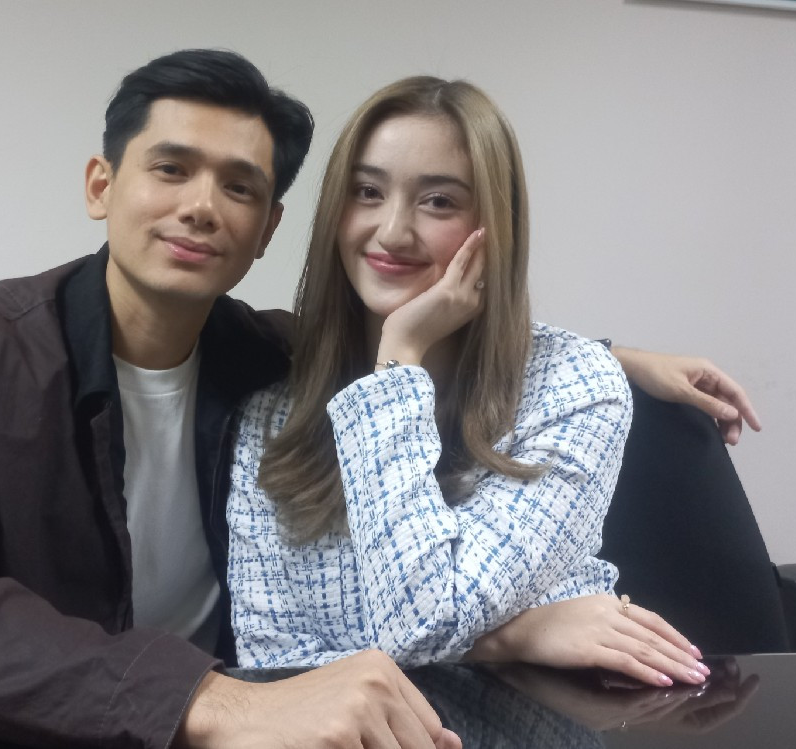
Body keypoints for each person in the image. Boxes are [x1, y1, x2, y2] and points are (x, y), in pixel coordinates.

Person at [0, 50, 758, 749]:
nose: (203, 206)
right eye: (170, 168)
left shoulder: (263, 358)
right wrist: (212, 698)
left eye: (239, 185)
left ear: (270, 225)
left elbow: (439, 336)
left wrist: (614, 359)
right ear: (101, 185)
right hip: (50, 723)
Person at [226, 76, 721, 690]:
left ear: (496, 226)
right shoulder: (272, 416)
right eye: (368, 192)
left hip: (531, 717)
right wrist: (513, 637)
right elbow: (271, 666)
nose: (392, 231)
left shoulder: (572, 386)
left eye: (439, 202)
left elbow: (423, 622)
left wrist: (398, 358)